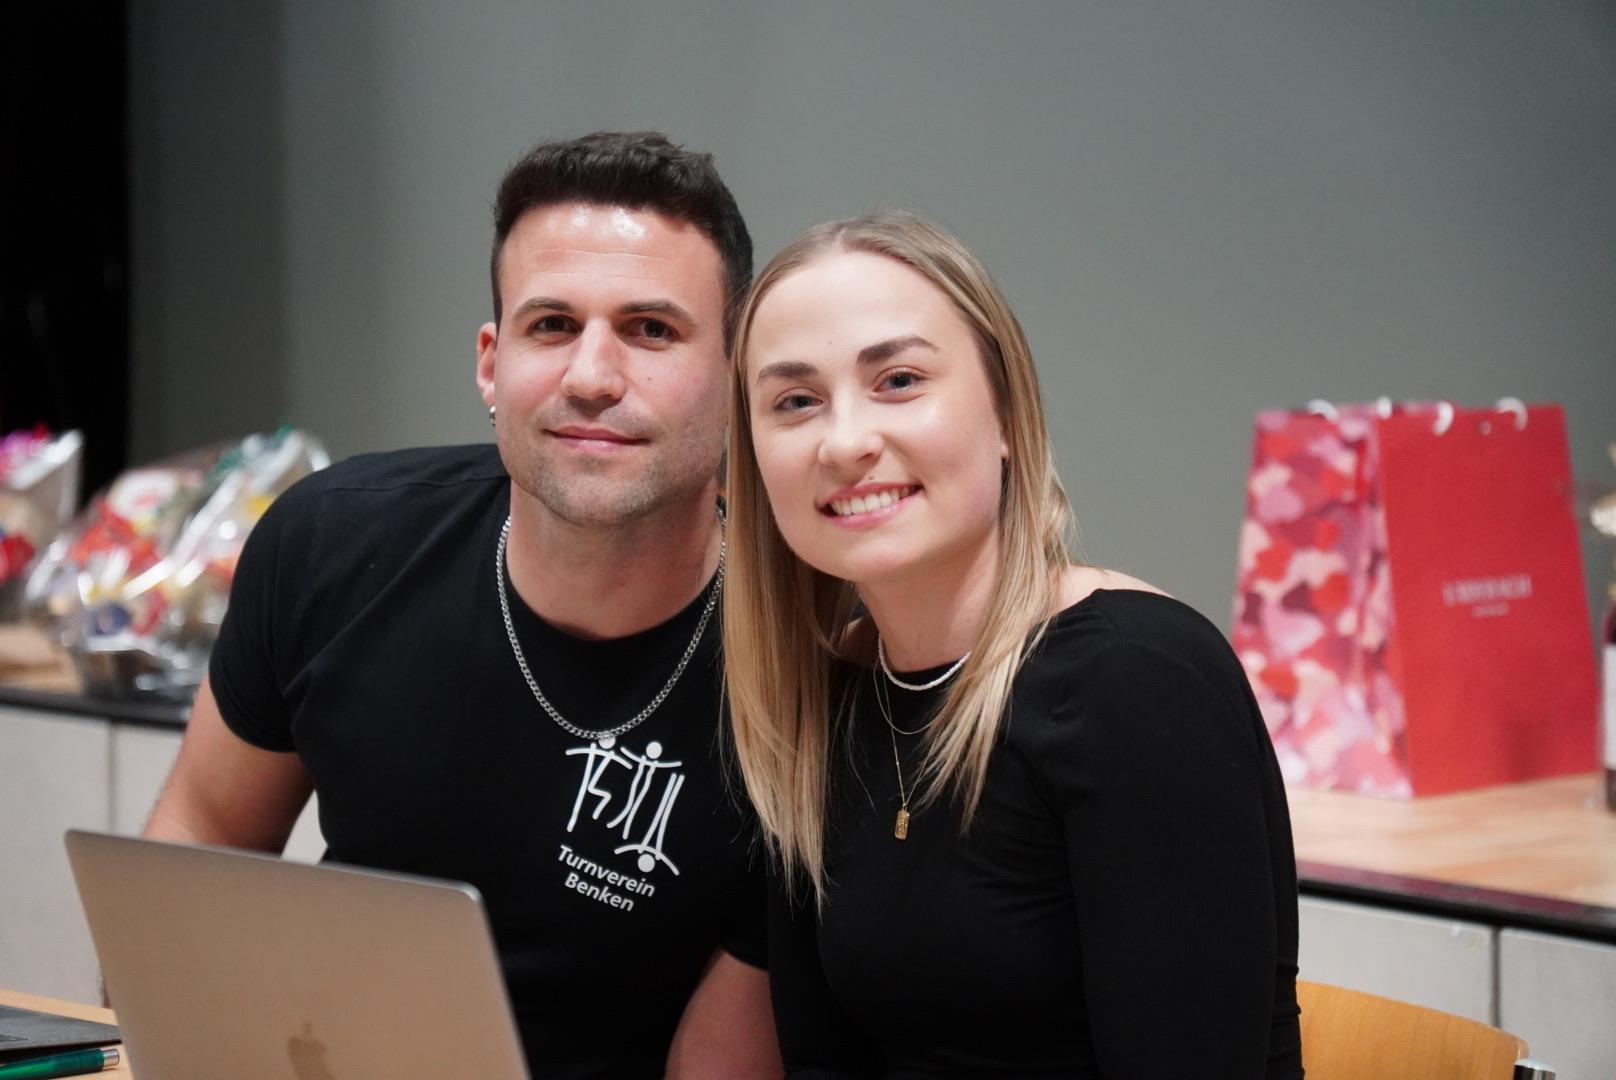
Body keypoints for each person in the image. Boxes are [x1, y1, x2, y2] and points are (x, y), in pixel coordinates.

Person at [145, 132, 781, 1079]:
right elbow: (200, 835)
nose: (592, 377)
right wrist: (172, 1023)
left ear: (736, 377)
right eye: (551, 325)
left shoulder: (802, 662)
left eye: (651, 330)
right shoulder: (332, 544)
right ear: (491, 363)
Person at [722, 211, 1302, 1078]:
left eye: (899, 380)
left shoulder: (1136, 683)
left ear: (1005, 413)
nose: (844, 442)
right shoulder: (828, 696)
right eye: (795, 402)